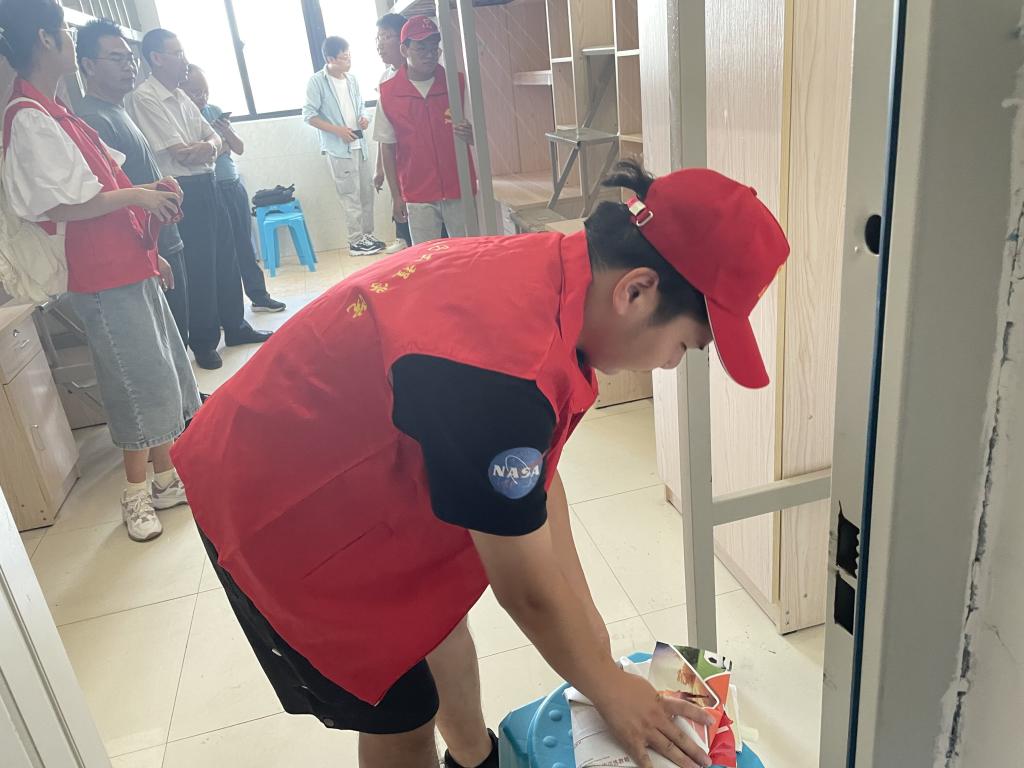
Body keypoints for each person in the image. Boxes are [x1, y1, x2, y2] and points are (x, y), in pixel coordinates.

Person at [171, 159, 789, 768]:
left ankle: (475, 760)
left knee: (436, 613)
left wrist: (597, 652)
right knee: (403, 714)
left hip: (334, 449)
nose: (671, 364)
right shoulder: (503, 375)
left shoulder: (557, 276)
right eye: (684, 345)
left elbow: (537, 485)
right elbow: (525, 588)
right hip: (269, 499)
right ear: (636, 291)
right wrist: (604, 685)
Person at [0, 0, 201, 542]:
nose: (68, 40)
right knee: (132, 381)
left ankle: (165, 479)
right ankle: (134, 495)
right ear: (46, 39)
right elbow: (60, 204)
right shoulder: (30, 116)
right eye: (64, 32)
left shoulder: (55, 110)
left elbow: (105, 187)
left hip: (124, 261)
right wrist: (138, 195)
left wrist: (148, 243)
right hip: (99, 273)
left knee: (159, 371)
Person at [126, 28, 271, 370]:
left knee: (226, 257)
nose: (184, 60)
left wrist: (207, 147)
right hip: (182, 189)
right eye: (177, 53)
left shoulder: (180, 96)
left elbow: (213, 138)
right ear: (156, 58)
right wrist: (208, 147)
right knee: (200, 265)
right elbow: (180, 153)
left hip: (209, 183)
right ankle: (204, 341)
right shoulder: (145, 98)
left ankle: (235, 326)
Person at [74, 18, 191, 345]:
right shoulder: (93, 118)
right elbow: (109, 196)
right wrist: (150, 252)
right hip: (146, 247)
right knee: (164, 342)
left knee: (177, 338)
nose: (129, 66)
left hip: (161, 238)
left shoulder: (117, 110)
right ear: (88, 65)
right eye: (117, 58)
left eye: (130, 58)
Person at [182, 65, 286, 314]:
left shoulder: (213, 111)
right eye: (195, 92)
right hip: (209, 189)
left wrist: (225, 131)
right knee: (218, 252)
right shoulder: (181, 118)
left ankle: (259, 296)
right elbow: (193, 156)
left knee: (244, 245)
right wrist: (219, 147)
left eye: (205, 91)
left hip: (232, 185)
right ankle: (223, 309)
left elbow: (238, 148)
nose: (202, 98)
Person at [375, 15, 476, 245]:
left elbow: (477, 135)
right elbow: (387, 147)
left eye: (434, 48)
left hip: (459, 187)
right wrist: (396, 196)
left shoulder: (456, 83)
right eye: (421, 48)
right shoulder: (389, 94)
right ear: (404, 50)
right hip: (417, 191)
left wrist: (472, 135)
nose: (430, 54)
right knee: (425, 256)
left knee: (466, 252)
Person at [304, 36, 384, 256]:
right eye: (344, 57)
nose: (349, 61)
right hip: (339, 150)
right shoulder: (317, 82)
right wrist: (338, 131)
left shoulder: (352, 80)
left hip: (360, 145)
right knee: (350, 196)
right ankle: (355, 242)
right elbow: (308, 115)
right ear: (330, 59)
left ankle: (367, 236)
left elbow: (361, 106)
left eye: (349, 56)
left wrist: (365, 118)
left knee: (366, 193)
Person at [373, 12, 410, 253]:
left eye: (386, 36)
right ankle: (404, 238)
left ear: (403, 40)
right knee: (400, 200)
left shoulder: (416, 73)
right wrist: (379, 168)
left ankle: (406, 239)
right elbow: (384, 135)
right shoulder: (386, 78)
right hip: (395, 158)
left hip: (412, 160)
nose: (380, 44)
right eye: (378, 38)